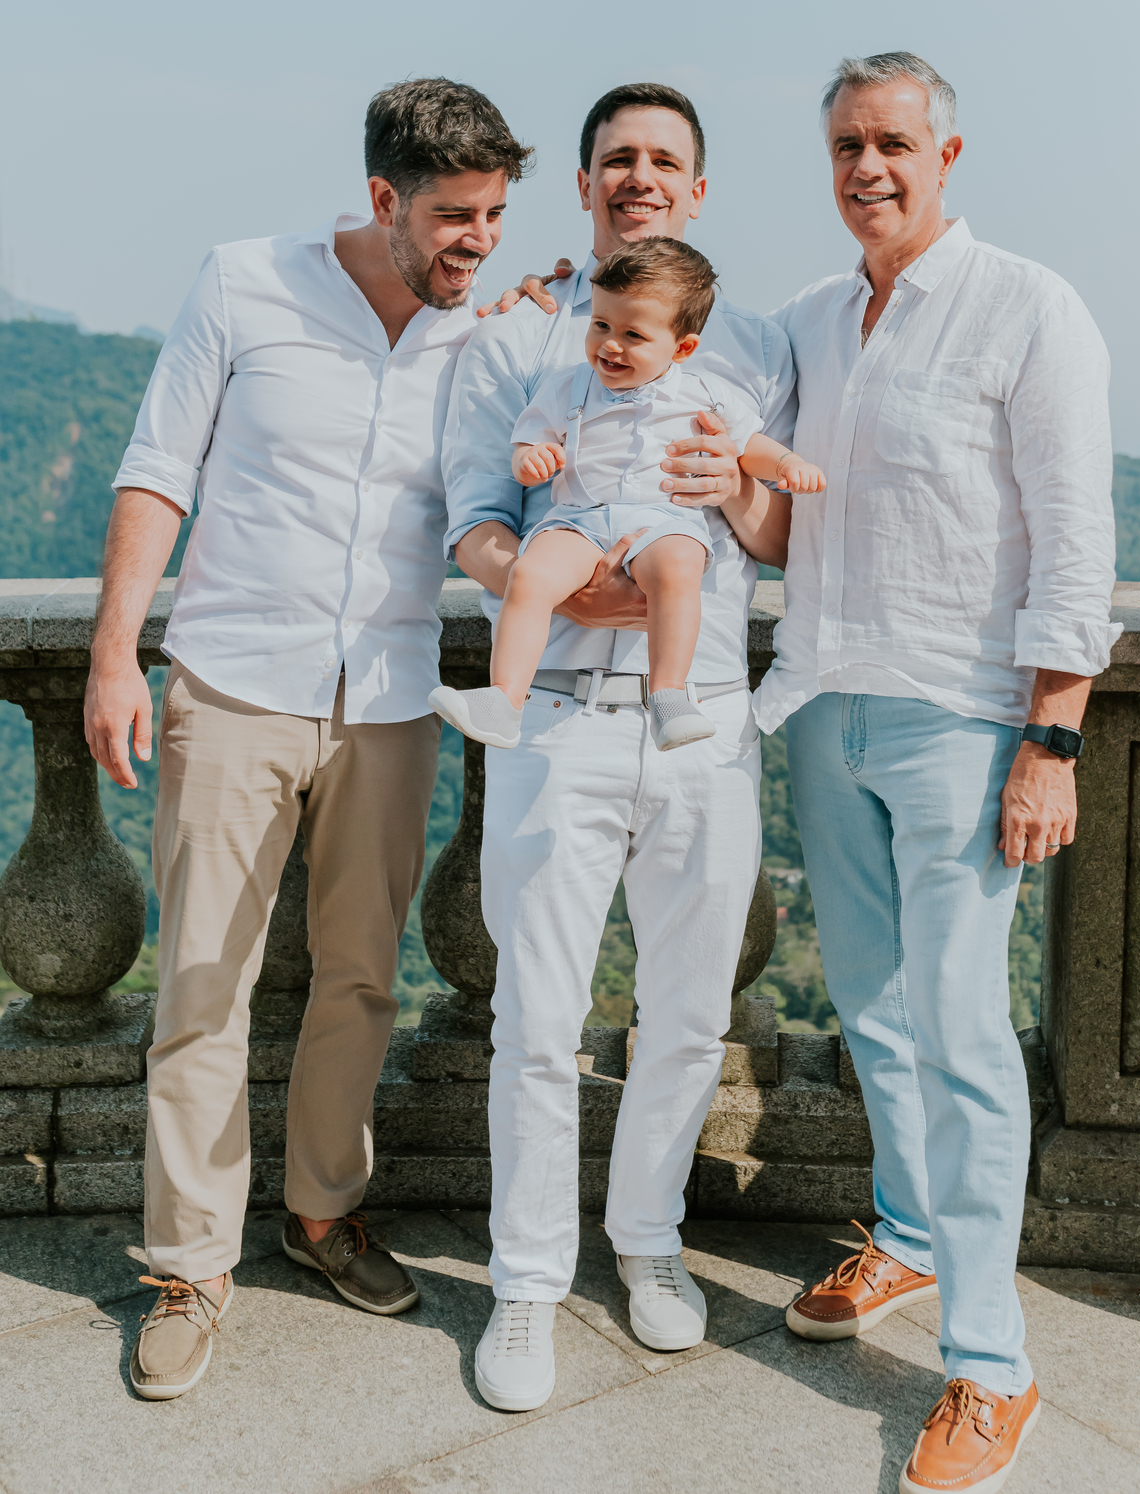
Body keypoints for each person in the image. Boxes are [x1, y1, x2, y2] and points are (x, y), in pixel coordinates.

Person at [83, 77, 531, 1400]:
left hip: (389, 701)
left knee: (362, 981)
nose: (478, 241)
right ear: (384, 199)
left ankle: (323, 1211)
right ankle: (185, 1259)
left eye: (496, 215)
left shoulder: (486, 333)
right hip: (232, 685)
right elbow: (159, 466)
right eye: (456, 215)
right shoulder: (243, 282)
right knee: (203, 985)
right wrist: (118, 652)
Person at [742, 52, 1120, 1493]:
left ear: (948, 154)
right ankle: (905, 1234)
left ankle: (990, 1367)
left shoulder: (1031, 305)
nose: (867, 168)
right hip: (825, 701)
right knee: (874, 1010)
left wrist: (1054, 735)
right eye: (845, 144)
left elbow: (1073, 538)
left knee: (963, 1034)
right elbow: (783, 535)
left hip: (966, 722)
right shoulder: (811, 321)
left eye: (893, 142)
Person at [442, 82, 796, 1412]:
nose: (640, 175)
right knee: (536, 1020)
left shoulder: (751, 344)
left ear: (698, 191)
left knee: (689, 1013)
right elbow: (473, 521)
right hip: (556, 725)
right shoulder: (514, 341)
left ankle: (647, 1242)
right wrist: (542, 572)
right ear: (585, 184)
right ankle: (528, 1279)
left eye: (665, 161)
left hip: (699, 719)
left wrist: (742, 490)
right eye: (617, 159)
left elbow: (780, 536)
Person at [433, 237, 822, 752]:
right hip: (580, 518)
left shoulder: (703, 393)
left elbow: (750, 446)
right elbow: (531, 438)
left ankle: (668, 694)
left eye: (632, 335)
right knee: (528, 572)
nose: (609, 345)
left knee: (680, 566)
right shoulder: (568, 385)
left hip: (663, 521)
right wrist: (531, 460)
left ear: (682, 348)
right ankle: (505, 698)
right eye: (599, 326)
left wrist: (788, 463)